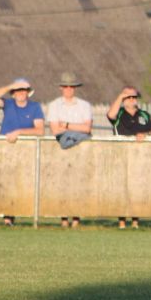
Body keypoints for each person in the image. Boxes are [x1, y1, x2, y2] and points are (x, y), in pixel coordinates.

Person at [0, 78, 45, 225]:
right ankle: (7, 216)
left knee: (21, 182)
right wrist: (10, 86)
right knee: (5, 182)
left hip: (25, 150)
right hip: (5, 149)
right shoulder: (8, 104)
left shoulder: (35, 107)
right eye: (18, 90)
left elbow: (40, 130)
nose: (21, 93)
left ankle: (23, 214)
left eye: (23, 90)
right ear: (13, 92)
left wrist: (19, 132)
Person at [107, 86, 151, 228]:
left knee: (137, 188)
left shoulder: (144, 115)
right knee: (122, 188)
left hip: (140, 156)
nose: (132, 100)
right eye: (128, 97)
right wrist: (120, 96)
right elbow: (110, 115)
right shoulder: (119, 114)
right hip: (121, 155)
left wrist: (146, 134)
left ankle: (135, 221)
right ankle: (122, 221)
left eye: (134, 97)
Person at [47, 72, 93, 226]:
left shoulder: (85, 105)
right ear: (61, 88)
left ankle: (76, 218)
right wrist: (76, 129)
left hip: (80, 150)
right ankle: (64, 218)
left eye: (72, 86)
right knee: (62, 183)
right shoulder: (54, 105)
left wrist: (66, 125)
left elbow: (87, 128)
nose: (69, 89)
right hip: (62, 150)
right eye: (66, 86)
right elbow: (54, 130)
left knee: (79, 183)